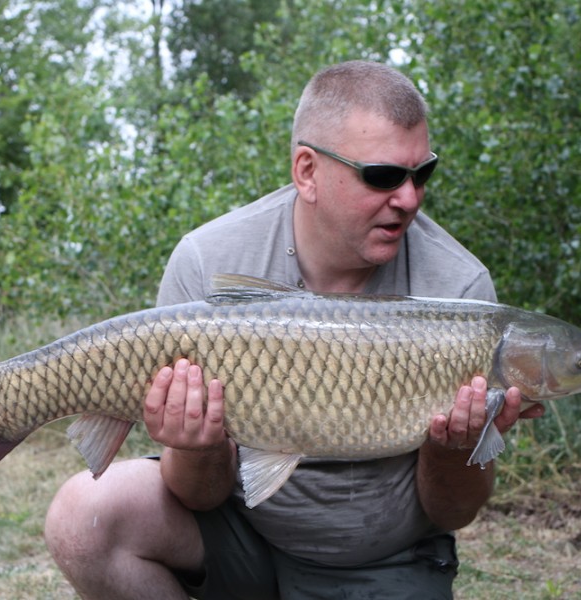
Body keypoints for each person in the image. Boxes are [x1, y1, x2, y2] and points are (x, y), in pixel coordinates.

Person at [44, 60, 544, 599]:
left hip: (385, 557)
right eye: (382, 176)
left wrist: (454, 447)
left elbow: (455, 510)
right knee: (83, 517)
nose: (409, 198)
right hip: (239, 533)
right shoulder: (208, 258)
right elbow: (198, 494)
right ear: (307, 170)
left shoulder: (461, 291)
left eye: (422, 173)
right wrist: (196, 447)